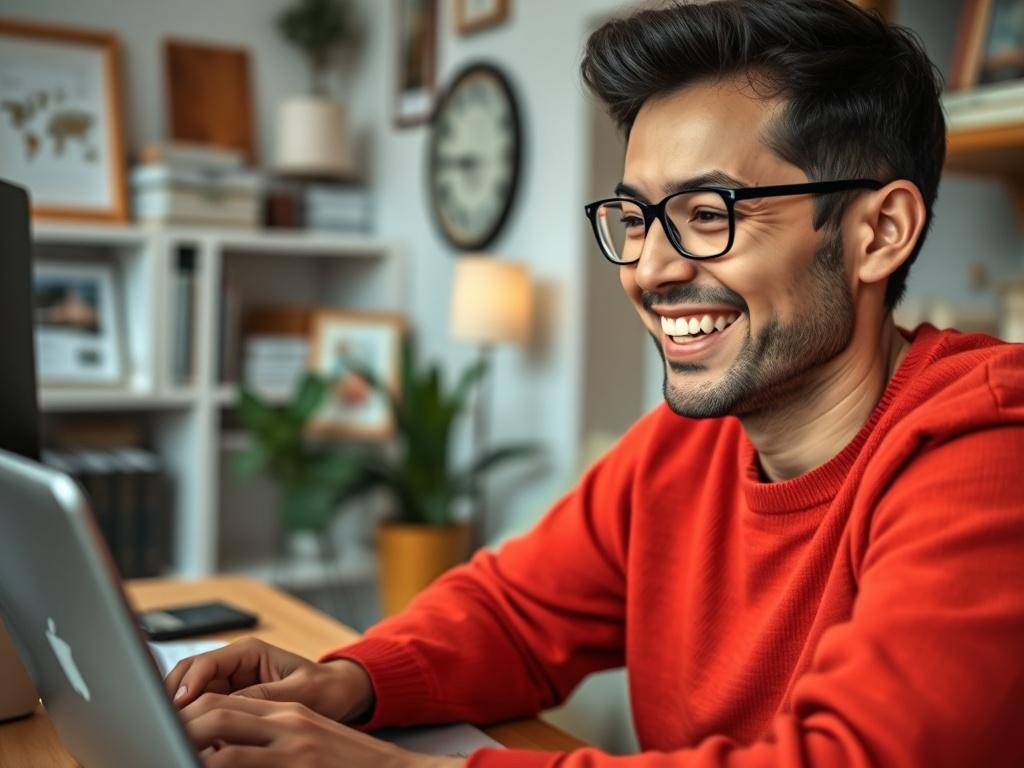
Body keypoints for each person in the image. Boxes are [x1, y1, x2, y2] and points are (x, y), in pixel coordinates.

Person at [163, 1, 1024, 765]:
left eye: (707, 214)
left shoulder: (986, 455)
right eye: (638, 217)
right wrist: (346, 682)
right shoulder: (687, 442)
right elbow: (513, 613)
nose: (647, 270)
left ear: (880, 232)